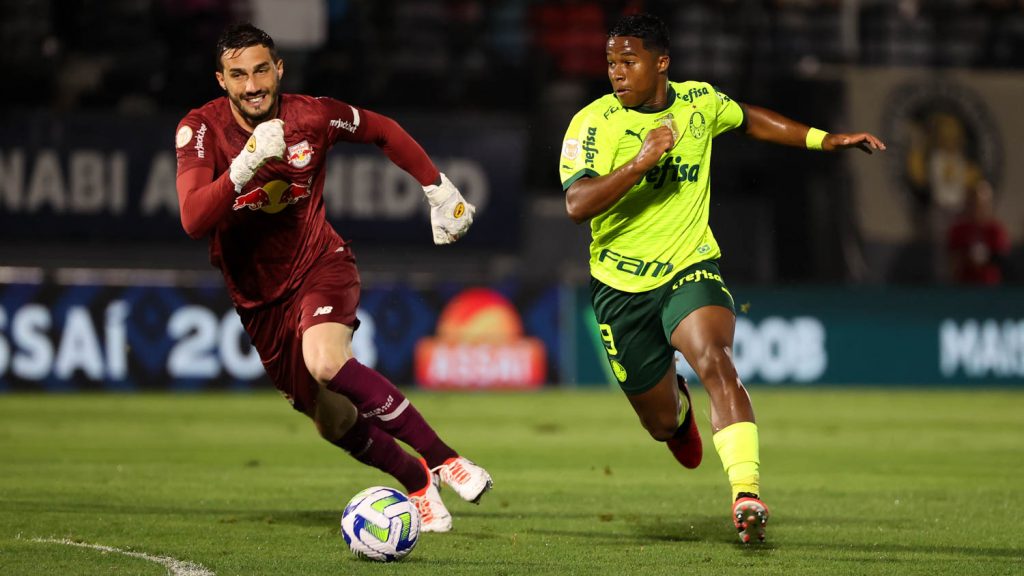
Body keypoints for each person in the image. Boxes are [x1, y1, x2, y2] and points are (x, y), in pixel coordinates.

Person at [558, 13, 886, 543]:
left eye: (628, 61)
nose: (616, 73)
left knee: (716, 358)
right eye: (611, 63)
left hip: (690, 265)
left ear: (661, 62)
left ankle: (746, 493)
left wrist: (824, 140)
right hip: (619, 286)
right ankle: (679, 412)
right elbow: (577, 204)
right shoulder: (592, 124)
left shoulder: (698, 103)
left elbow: (750, 119)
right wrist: (640, 164)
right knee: (661, 424)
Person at [174, 23, 492, 533]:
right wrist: (247, 162)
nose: (252, 85)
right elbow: (193, 219)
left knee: (325, 361)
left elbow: (382, 128)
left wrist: (438, 189)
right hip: (258, 300)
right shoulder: (201, 130)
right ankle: (417, 482)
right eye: (238, 75)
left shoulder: (314, 116)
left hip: (321, 263)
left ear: (279, 70)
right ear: (221, 80)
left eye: (260, 70)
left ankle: (445, 459)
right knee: (334, 422)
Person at [947, 179, 1010, 285]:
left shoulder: (995, 230)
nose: (976, 208)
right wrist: (967, 258)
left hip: (990, 288)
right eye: (972, 203)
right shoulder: (958, 230)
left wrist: (987, 258)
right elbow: (951, 261)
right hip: (964, 286)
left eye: (980, 203)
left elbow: (1003, 262)